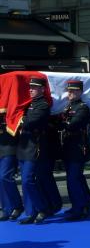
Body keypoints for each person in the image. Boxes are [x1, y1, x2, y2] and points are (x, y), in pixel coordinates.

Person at [17, 77, 50, 224]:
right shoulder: (29, 104)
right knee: (25, 182)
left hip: (33, 146)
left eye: (34, 87)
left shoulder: (43, 105)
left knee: (27, 180)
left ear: (42, 89)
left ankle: (42, 208)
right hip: (24, 145)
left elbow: (30, 122)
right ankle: (31, 212)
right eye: (30, 87)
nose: (30, 89)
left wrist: (22, 119)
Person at [60, 80, 90, 221]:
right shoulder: (68, 106)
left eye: (73, 91)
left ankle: (79, 209)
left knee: (73, 179)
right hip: (68, 145)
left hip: (78, 147)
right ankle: (82, 204)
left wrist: (60, 121)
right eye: (69, 91)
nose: (70, 93)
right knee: (74, 178)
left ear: (80, 92)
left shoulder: (83, 107)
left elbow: (73, 125)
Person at [0, 113, 23, 221]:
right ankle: (7, 209)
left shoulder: (9, 105)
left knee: (4, 176)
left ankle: (17, 206)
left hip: (9, 146)